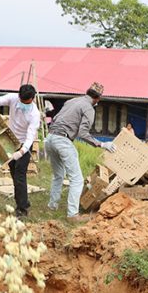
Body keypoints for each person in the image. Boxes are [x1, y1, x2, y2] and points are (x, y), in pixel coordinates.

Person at [45, 82, 116, 220]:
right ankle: (72, 215)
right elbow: (83, 133)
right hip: (63, 140)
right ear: (98, 98)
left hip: (50, 138)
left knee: (58, 175)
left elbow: (56, 118)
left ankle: (52, 206)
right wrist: (101, 144)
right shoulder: (89, 108)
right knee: (76, 179)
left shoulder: (72, 101)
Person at [0, 85, 41, 217]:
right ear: (19, 96)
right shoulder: (13, 98)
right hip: (11, 141)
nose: (24, 104)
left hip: (24, 145)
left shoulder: (34, 114)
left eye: (26, 102)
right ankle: (23, 201)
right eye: (22, 101)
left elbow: (30, 137)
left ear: (32, 98)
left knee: (19, 176)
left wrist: (22, 151)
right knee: (13, 172)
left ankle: (22, 209)